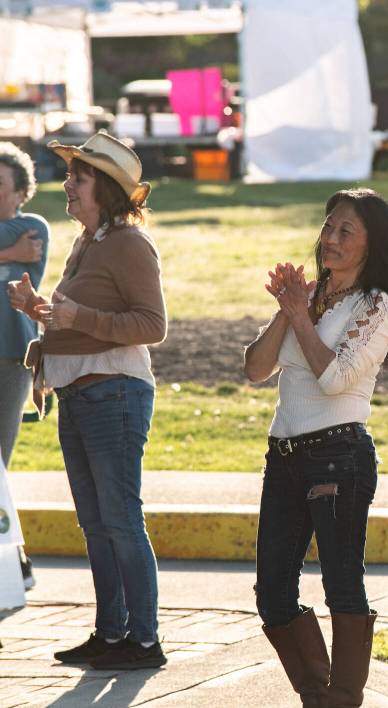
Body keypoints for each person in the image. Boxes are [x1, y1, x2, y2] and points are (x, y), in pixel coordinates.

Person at [7, 131, 167, 670]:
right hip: (81, 395)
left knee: (119, 519)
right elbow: (82, 323)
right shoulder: (91, 241)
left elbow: (152, 325)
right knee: (97, 523)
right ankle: (112, 633)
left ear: (108, 189)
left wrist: (77, 317)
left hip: (114, 394)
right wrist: (41, 311)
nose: (68, 185)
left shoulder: (128, 243)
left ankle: (144, 642)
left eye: (79, 177)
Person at [244, 188, 388, 707]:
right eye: (327, 227)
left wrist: (299, 316)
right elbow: (254, 369)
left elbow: (336, 377)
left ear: (370, 245)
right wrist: (289, 309)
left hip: (339, 454)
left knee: (341, 586)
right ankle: (319, 697)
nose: (330, 239)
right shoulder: (310, 298)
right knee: (272, 592)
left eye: (345, 231)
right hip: (284, 455)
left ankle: (341, 699)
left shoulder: (376, 304)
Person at [0, 142, 49, 591]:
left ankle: (12, 562)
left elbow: (27, 261)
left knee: (0, 462)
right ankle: (15, 563)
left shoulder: (32, 227)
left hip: (12, 361)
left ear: (20, 193)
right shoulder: (11, 239)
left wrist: (16, 257)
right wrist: (6, 256)